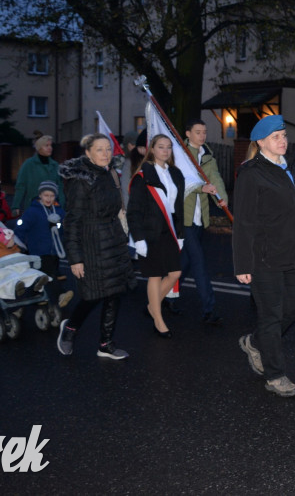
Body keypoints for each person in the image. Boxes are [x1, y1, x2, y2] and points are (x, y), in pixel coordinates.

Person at [234, 114, 295, 397]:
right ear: (261, 142)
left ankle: (256, 341)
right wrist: (242, 264)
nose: (283, 141)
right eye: (276, 137)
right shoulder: (251, 173)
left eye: (284, 136)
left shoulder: (293, 170)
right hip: (264, 258)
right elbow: (244, 222)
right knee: (271, 315)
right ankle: (275, 375)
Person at [56, 133, 135, 360]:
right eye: (99, 149)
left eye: (108, 149)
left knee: (114, 292)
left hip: (112, 240)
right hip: (90, 243)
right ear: (88, 152)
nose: (105, 153)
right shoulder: (81, 179)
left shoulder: (109, 174)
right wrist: (75, 258)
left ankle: (105, 344)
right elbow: (72, 220)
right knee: (92, 295)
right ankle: (70, 329)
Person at [128, 134, 185, 338]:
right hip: (149, 231)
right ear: (152, 149)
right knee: (154, 274)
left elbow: (179, 207)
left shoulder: (176, 174)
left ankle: (153, 306)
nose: (165, 151)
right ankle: (159, 321)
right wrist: (139, 238)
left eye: (168, 147)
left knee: (175, 272)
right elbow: (133, 210)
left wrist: (180, 232)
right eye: (161, 147)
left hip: (169, 229)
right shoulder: (144, 175)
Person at [180, 119, 230, 325]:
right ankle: (209, 308)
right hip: (184, 218)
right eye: (198, 132)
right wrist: (202, 188)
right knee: (199, 261)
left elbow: (215, 178)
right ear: (188, 133)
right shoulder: (181, 155)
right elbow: (181, 181)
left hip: (200, 218)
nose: (202, 136)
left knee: (184, 263)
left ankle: (163, 298)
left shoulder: (206, 155)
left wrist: (222, 197)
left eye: (204, 132)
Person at [15, 180, 72, 313]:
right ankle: (61, 295)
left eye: (52, 196)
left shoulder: (58, 211)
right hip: (38, 252)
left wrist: (62, 227)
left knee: (39, 277)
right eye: (46, 195)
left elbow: (65, 228)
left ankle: (29, 300)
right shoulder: (33, 211)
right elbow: (21, 228)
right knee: (49, 275)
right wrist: (18, 244)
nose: (49, 199)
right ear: (40, 195)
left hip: (54, 252)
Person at [12, 135, 64, 213]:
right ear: (39, 148)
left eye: (51, 145)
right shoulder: (29, 164)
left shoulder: (55, 165)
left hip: (52, 207)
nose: (50, 148)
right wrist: (15, 206)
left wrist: (62, 205)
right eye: (46, 145)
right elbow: (20, 186)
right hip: (33, 206)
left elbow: (60, 187)